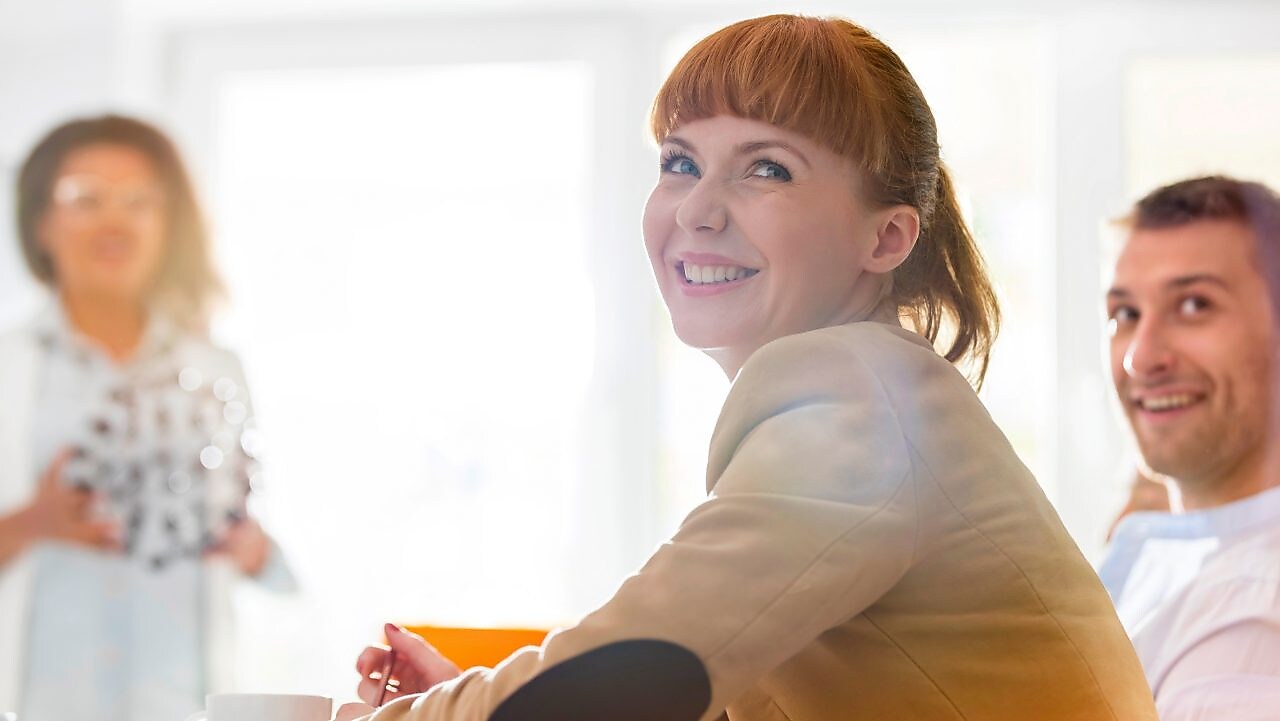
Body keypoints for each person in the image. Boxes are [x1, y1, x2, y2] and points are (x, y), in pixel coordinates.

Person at [337, 15, 1157, 721]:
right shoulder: (874, 387)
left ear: (887, 238)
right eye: (680, 162)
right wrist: (474, 696)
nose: (697, 208)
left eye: (767, 168)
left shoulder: (852, 393)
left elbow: (629, 673)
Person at [0, 114, 294, 721]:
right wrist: (29, 524)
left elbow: (263, 540)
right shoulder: (11, 367)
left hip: (179, 705)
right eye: (86, 199)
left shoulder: (219, 370)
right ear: (42, 223)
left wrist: (250, 548)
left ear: (168, 226)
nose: (115, 221)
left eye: (139, 202)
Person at [1097, 175, 1280, 720]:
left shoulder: (1253, 611)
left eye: (1195, 304)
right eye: (1126, 314)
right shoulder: (1165, 553)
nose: (1141, 358)